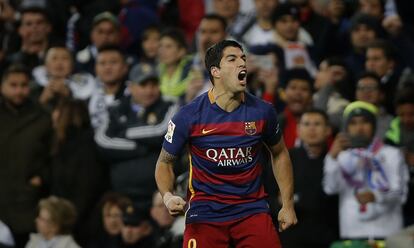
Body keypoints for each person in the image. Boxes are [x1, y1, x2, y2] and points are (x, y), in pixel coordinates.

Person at [154, 39, 297, 248]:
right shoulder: (188, 116)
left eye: (243, 59)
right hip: (204, 212)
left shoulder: (262, 111)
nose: (242, 64)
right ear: (216, 71)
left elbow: (280, 153)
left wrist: (288, 204)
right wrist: (167, 196)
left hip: (251, 209)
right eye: (232, 59)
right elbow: (164, 162)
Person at [95, 63, 178, 209]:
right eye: (143, 85)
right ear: (131, 87)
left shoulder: (170, 105)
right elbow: (102, 142)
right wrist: (142, 148)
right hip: (121, 195)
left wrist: (125, 133)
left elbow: (162, 132)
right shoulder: (115, 109)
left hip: (160, 195)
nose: (149, 90)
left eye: (153, 84)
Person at [323, 101, 409, 239]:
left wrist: (377, 196)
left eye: (365, 122)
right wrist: (332, 158)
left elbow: (401, 195)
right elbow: (330, 188)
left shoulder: (392, 154)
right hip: (352, 235)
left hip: (388, 235)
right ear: (347, 128)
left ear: (374, 126)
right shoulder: (341, 156)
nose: (359, 128)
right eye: (353, 123)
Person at [0, 64, 52, 247]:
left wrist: (40, 178)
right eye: (13, 85)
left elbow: (53, 156)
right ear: (2, 86)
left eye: (23, 85)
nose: (19, 91)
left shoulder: (42, 116)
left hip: (27, 200)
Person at [279, 109, 338, 248]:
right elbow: (267, 195)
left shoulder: (335, 161)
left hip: (326, 238)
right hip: (291, 238)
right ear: (298, 130)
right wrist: (279, 202)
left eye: (317, 124)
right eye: (306, 124)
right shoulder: (284, 159)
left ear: (328, 130)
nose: (312, 128)